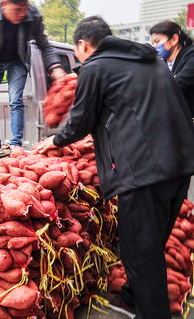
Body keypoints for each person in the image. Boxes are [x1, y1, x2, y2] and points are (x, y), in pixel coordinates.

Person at [36, 16, 194, 319]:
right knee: (151, 242)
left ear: (83, 45)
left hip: (143, 173)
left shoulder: (96, 67)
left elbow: (81, 120)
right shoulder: (150, 60)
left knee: (140, 253)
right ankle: (133, 296)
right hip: (179, 165)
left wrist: (56, 140)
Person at [0, 0, 66, 155]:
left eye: (25, 7)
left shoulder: (33, 15)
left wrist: (56, 68)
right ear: (4, 4)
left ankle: (16, 144)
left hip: (18, 60)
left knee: (16, 101)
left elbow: (44, 45)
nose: (22, 13)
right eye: (17, 9)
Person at [150, 21, 194, 117]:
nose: (154, 47)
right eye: (152, 43)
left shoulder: (191, 56)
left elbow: (179, 83)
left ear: (174, 39)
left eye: (157, 42)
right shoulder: (161, 63)